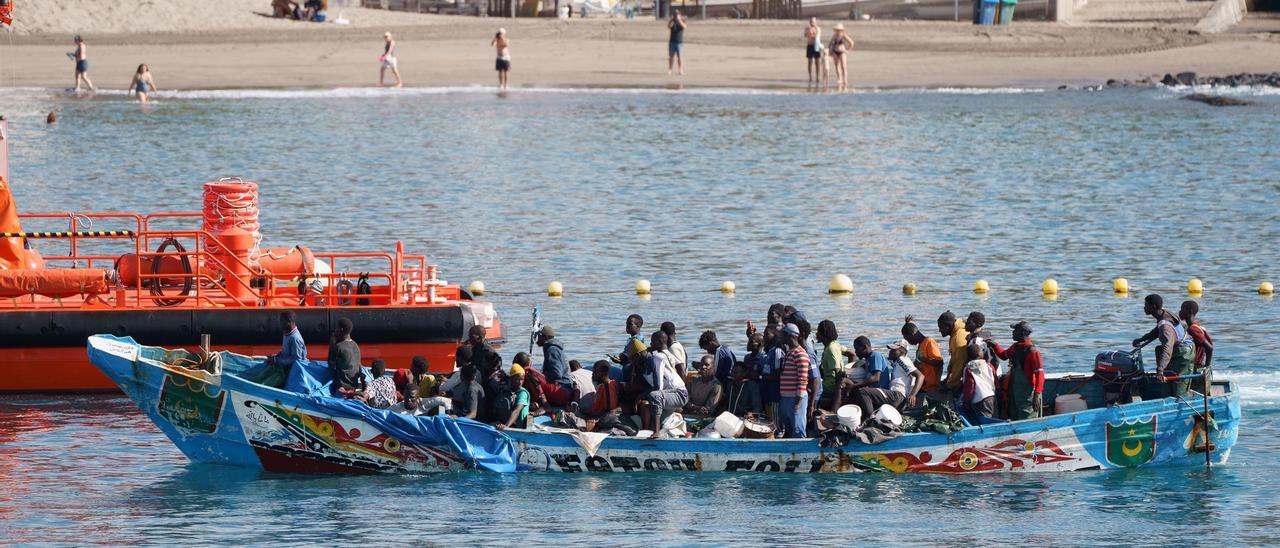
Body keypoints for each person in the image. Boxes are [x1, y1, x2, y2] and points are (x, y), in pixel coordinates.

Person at [1133, 294, 1195, 397]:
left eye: (1146, 305)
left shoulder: (1165, 327)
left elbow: (1167, 348)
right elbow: (1157, 331)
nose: (1144, 307)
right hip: (1178, 350)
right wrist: (1142, 339)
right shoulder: (1164, 314)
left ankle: (1184, 399)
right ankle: (1167, 393)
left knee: (1179, 389)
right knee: (1167, 381)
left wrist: (1160, 370)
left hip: (1184, 354)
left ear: (1153, 306)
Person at [987, 321, 1044, 420]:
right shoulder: (1016, 347)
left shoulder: (1033, 352)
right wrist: (994, 345)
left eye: (1015, 330)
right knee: (1014, 413)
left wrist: (1037, 395)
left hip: (1027, 393)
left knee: (1027, 415)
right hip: (1015, 389)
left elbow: (1040, 374)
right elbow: (1004, 355)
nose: (1012, 333)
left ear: (1022, 333)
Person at [643, 331, 688, 438]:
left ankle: (657, 432)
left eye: (652, 342)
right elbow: (680, 366)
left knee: (655, 395)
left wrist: (643, 395)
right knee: (661, 422)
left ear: (659, 342)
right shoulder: (668, 354)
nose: (651, 344)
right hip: (675, 393)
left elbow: (659, 386)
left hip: (678, 393)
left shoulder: (658, 357)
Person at [839, 336, 894, 420]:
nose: (856, 352)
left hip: (879, 391)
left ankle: (870, 417)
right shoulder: (868, 360)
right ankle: (839, 410)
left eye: (857, 349)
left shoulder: (876, 356)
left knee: (856, 389)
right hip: (870, 390)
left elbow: (876, 378)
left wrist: (853, 386)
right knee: (844, 380)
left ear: (865, 347)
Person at [253, 311, 307, 388]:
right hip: (280, 365)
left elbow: (296, 358)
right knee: (257, 380)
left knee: (264, 386)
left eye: (282, 321)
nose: (280, 323)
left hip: (286, 371)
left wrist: (277, 360)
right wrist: (276, 356)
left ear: (289, 321)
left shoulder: (295, 338)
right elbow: (286, 352)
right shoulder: (286, 334)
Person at [778, 323, 810, 438]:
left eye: (783, 335)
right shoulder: (789, 353)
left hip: (796, 398)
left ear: (789, 336)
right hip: (786, 397)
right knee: (789, 427)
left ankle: (802, 453)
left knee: (798, 428)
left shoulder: (800, 354)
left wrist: (797, 401)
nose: (781, 337)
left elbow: (803, 379)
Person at [815, 319, 853, 411]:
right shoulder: (835, 344)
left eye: (818, 332)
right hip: (829, 384)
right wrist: (849, 368)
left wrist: (838, 397)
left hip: (829, 388)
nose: (816, 334)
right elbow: (852, 354)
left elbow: (838, 373)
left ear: (823, 334)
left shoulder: (831, 349)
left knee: (811, 396)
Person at [902, 316, 944, 396]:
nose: (909, 342)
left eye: (908, 339)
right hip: (924, 387)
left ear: (912, 334)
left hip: (932, 388)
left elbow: (939, 362)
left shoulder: (929, 342)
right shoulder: (920, 347)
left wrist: (924, 360)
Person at [536, 325, 576, 406]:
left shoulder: (552, 350)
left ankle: (545, 405)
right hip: (564, 390)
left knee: (531, 374)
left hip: (562, 391)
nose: (537, 338)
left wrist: (541, 375)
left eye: (539, 336)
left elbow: (557, 374)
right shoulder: (553, 348)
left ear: (546, 337)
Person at [1179, 300, 1213, 395]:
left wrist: (1207, 367)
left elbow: (1209, 348)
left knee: (1197, 395)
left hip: (1196, 368)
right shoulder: (1195, 325)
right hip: (1197, 366)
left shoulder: (1193, 329)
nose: (1180, 312)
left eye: (1182, 309)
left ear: (1189, 311)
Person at [962, 341, 998, 423]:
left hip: (980, 399)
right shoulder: (989, 365)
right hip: (992, 396)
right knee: (994, 418)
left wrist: (966, 401)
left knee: (985, 420)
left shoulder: (968, 369)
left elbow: (969, 387)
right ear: (980, 355)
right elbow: (995, 381)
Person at [328, 318, 364, 397]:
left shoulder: (338, 347)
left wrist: (332, 344)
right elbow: (359, 366)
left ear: (341, 330)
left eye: (336, 328)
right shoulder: (356, 345)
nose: (335, 330)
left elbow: (330, 366)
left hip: (342, 388)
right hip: (354, 385)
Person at [886, 340, 924, 410]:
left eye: (893, 350)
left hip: (898, 395)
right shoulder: (898, 362)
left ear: (902, 352)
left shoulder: (901, 360)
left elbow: (920, 376)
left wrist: (912, 395)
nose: (890, 352)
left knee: (865, 392)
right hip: (897, 396)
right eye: (890, 350)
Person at [938, 310, 969, 395]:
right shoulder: (955, 333)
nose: (939, 331)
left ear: (948, 326)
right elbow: (954, 359)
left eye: (941, 327)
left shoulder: (958, 339)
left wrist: (951, 385)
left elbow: (959, 363)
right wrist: (948, 378)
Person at [493, 365, 529, 430]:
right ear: (511, 379)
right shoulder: (506, 390)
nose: (520, 382)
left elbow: (516, 411)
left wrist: (506, 426)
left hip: (516, 428)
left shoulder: (522, 394)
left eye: (522, 379)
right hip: (501, 422)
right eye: (518, 379)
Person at [827, 24, 854, 89]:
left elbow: (851, 43)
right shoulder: (834, 36)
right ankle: (839, 79)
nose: (838, 31)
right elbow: (830, 43)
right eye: (837, 30)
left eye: (839, 30)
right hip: (835, 52)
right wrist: (830, 50)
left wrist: (847, 50)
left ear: (841, 30)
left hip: (842, 52)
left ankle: (845, 80)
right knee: (837, 66)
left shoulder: (844, 35)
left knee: (844, 66)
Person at [803, 18, 825, 85]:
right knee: (810, 62)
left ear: (815, 22)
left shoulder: (818, 28)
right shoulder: (807, 28)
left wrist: (813, 31)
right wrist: (808, 31)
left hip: (816, 46)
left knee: (817, 62)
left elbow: (817, 35)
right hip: (809, 45)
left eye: (813, 22)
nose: (812, 23)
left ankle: (817, 77)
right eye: (811, 21)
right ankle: (810, 77)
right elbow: (805, 35)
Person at [667, 10, 686, 76]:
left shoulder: (682, 20)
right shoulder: (672, 21)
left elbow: (685, 27)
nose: (676, 16)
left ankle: (680, 70)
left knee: (680, 57)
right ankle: (670, 69)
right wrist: (671, 21)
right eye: (675, 15)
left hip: (679, 42)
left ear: (680, 15)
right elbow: (668, 26)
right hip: (672, 41)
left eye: (677, 14)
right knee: (671, 56)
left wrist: (679, 20)